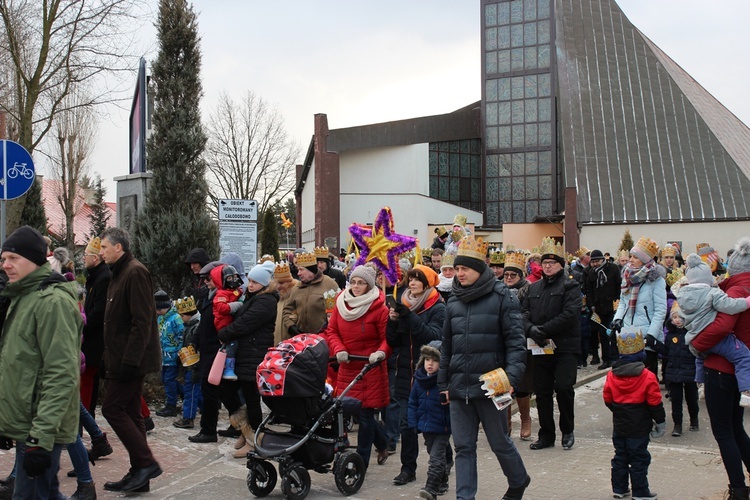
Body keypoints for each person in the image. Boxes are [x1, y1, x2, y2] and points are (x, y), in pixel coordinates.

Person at [438, 236, 530, 500]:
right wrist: (444, 385)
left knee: (500, 442)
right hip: (459, 388)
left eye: (464, 268)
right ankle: (464, 497)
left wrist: (512, 378)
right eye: (457, 269)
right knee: (464, 447)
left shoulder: (503, 297)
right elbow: (447, 347)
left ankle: (519, 480)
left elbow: (516, 342)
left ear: (479, 268)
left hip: (494, 385)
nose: (460, 273)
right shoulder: (453, 301)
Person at [0, 227, 83, 499]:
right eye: (3, 259)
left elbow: (61, 374)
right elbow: (19, 364)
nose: (5, 265)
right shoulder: (24, 296)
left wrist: (40, 438)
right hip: (27, 423)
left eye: (13, 258)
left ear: (35, 260)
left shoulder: (52, 301)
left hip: (40, 428)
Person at [99, 227, 162, 493]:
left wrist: (129, 361)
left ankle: (146, 463)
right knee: (133, 412)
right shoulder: (118, 272)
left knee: (112, 408)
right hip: (121, 357)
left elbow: (142, 321)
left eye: (104, 247)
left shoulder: (134, 271)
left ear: (118, 247)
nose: (100, 252)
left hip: (131, 359)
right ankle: (140, 475)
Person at [692, 237, 750, 498]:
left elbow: (723, 326)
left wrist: (695, 343)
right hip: (738, 370)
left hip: (722, 370)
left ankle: (738, 489)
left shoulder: (738, 290)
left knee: (724, 431)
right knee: (736, 428)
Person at [325, 265, 390, 468]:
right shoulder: (341, 304)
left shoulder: (380, 309)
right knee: (350, 410)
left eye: (361, 282)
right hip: (348, 363)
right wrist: (338, 349)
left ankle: (361, 461)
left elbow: (387, 338)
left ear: (369, 285)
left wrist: (380, 353)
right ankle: (383, 443)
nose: (356, 286)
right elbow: (332, 330)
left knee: (366, 413)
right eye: (353, 281)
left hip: (370, 366)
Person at [387, 264, 445, 485]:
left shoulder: (438, 307)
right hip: (404, 373)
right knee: (406, 425)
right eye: (409, 279)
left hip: (428, 376)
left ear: (427, 282)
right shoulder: (404, 303)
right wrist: (392, 322)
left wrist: (409, 316)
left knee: (434, 427)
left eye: (417, 279)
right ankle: (407, 469)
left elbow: (432, 337)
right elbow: (393, 342)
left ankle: (442, 467)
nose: (411, 283)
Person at [522, 237, 581, 451]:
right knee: (542, 391)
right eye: (545, 263)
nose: (547, 266)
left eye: (552, 263)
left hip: (564, 345)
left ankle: (567, 430)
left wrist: (543, 330)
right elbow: (523, 313)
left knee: (564, 387)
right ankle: (546, 434)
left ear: (560, 265)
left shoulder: (570, 285)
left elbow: (570, 314)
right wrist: (530, 329)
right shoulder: (534, 287)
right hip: (540, 346)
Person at [217, 261, 279, 458]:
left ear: (264, 283)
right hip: (245, 353)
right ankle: (245, 429)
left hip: (254, 354)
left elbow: (245, 323)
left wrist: (224, 333)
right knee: (228, 390)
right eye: (249, 280)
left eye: (254, 282)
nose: (249, 285)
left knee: (252, 398)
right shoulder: (253, 297)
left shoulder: (266, 301)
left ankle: (254, 440)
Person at [675, 254, 750, 404]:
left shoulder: (682, 295)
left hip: (694, 334)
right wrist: (746, 302)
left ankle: (700, 382)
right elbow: (730, 307)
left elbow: (681, 317)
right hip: (713, 339)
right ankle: (746, 391)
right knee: (743, 356)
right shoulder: (713, 293)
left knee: (700, 357)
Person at [603, 328, 666, 500]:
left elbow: (607, 398)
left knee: (620, 456)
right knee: (639, 458)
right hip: (639, 425)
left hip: (620, 424)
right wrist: (660, 421)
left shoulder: (612, 375)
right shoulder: (647, 376)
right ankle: (640, 492)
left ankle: (619, 488)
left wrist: (618, 410)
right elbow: (654, 402)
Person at [189, 261, 242, 444]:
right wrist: (194, 341)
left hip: (217, 349)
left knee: (212, 390)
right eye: (204, 279)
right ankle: (239, 424)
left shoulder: (225, 297)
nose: (205, 283)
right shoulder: (209, 296)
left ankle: (209, 430)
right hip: (208, 348)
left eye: (209, 279)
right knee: (222, 390)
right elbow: (204, 323)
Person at [612, 237, 667, 376]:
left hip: (646, 334)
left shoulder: (656, 279)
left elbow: (660, 310)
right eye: (631, 256)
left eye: (635, 257)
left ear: (644, 259)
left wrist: (652, 334)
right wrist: (618, 319)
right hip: (627, 334)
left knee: (646, 377)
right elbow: (623, 301)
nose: (630, 260)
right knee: (628, 377)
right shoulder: (627, 276)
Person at [409, 341, 452, 500]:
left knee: (435, 457)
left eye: (435, 360)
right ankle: (443, 480)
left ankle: (431, 487)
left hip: (442, 427)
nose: (430, 364)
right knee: (433, 453)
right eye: (427, 360)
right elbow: (413, 402)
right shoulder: (419, 380)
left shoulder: (445, 382)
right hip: (426, 426)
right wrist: (412, 423)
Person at [503, 250, 533, 441]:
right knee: (502, 384)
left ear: (521, 276)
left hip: (522, 341)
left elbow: (530, 313)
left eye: (513, 274)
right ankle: (505, 424)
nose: (509, 278)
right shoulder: (499, 291)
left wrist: (514, 321)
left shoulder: (529, 291)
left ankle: (525, 419)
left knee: (522, 384)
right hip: (503, 341)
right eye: (506, 274)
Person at [81, 236, 110, 417]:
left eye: (86, 254)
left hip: (95, 340)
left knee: (88, 380)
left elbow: (99, 312)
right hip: (91, 338)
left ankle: (84, 418)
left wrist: (82, 326)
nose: (83, 258)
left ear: (96, 258)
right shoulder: (94, 276)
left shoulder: (103, 278)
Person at [663, 304, 699, 436]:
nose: (677, 320)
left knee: (691, 398)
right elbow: (666, 353)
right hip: (674, 372)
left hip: (689, 370)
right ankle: (677, 425)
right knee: (676, 400)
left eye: (680, 317)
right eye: (674, 317)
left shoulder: (691, 334)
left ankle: (694, 419)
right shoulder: (670, 335)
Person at [283, 251, 339, 336]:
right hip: (301, 339)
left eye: (301, 269)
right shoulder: (296, 288)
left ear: (311, 270)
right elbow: (287, 310)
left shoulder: (329, 284)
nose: (298, 273)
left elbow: (337, 311)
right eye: (298, 270)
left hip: (324, 338)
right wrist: (291, 326)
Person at [586, 249, 622, 370]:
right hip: (598, 308)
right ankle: (606, 359)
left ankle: (614, 357)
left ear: (603, 260)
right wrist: (591, 305)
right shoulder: (591, 273)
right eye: (593, 261)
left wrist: (617, 301)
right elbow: (589, 290)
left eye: (597, 261)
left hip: (612, 306)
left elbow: (619, 285)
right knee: (603, 334)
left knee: (612, 333)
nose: (595, 264)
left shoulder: (613, 269)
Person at [173, 296, 203, 429]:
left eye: (181, 315)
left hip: (193, 364)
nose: (180, 318)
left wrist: (193, 366)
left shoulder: (195, 327)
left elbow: (195, 348)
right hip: (189, 363)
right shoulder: (190, 325)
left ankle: (188, 418)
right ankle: (204, 409)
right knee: (197, 391)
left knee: (190, 391)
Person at [155, 290, 185, 417]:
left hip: (173, 356)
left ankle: (171, 405)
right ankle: (184, 395)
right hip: (163, 356)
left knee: (169, 379)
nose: (157, 312)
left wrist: (179, 352)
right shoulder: (161, 318)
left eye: (159, 309)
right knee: (166, 379)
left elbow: (181, 335)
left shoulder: (176, 318)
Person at [211, 264, 243, 381]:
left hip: (231, 323)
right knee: (232, 345)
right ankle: (228, 369)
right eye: (229, 278)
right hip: (223, 324)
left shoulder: (235, 291)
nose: (233, 280)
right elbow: (222, 308)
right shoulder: (221, 294)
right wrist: (238, 304)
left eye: (234, 277)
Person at [273, 261, 299, 345]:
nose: (278, 286)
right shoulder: (280, 297)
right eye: (277, 283)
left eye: (281, 283)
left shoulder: (296, 294)